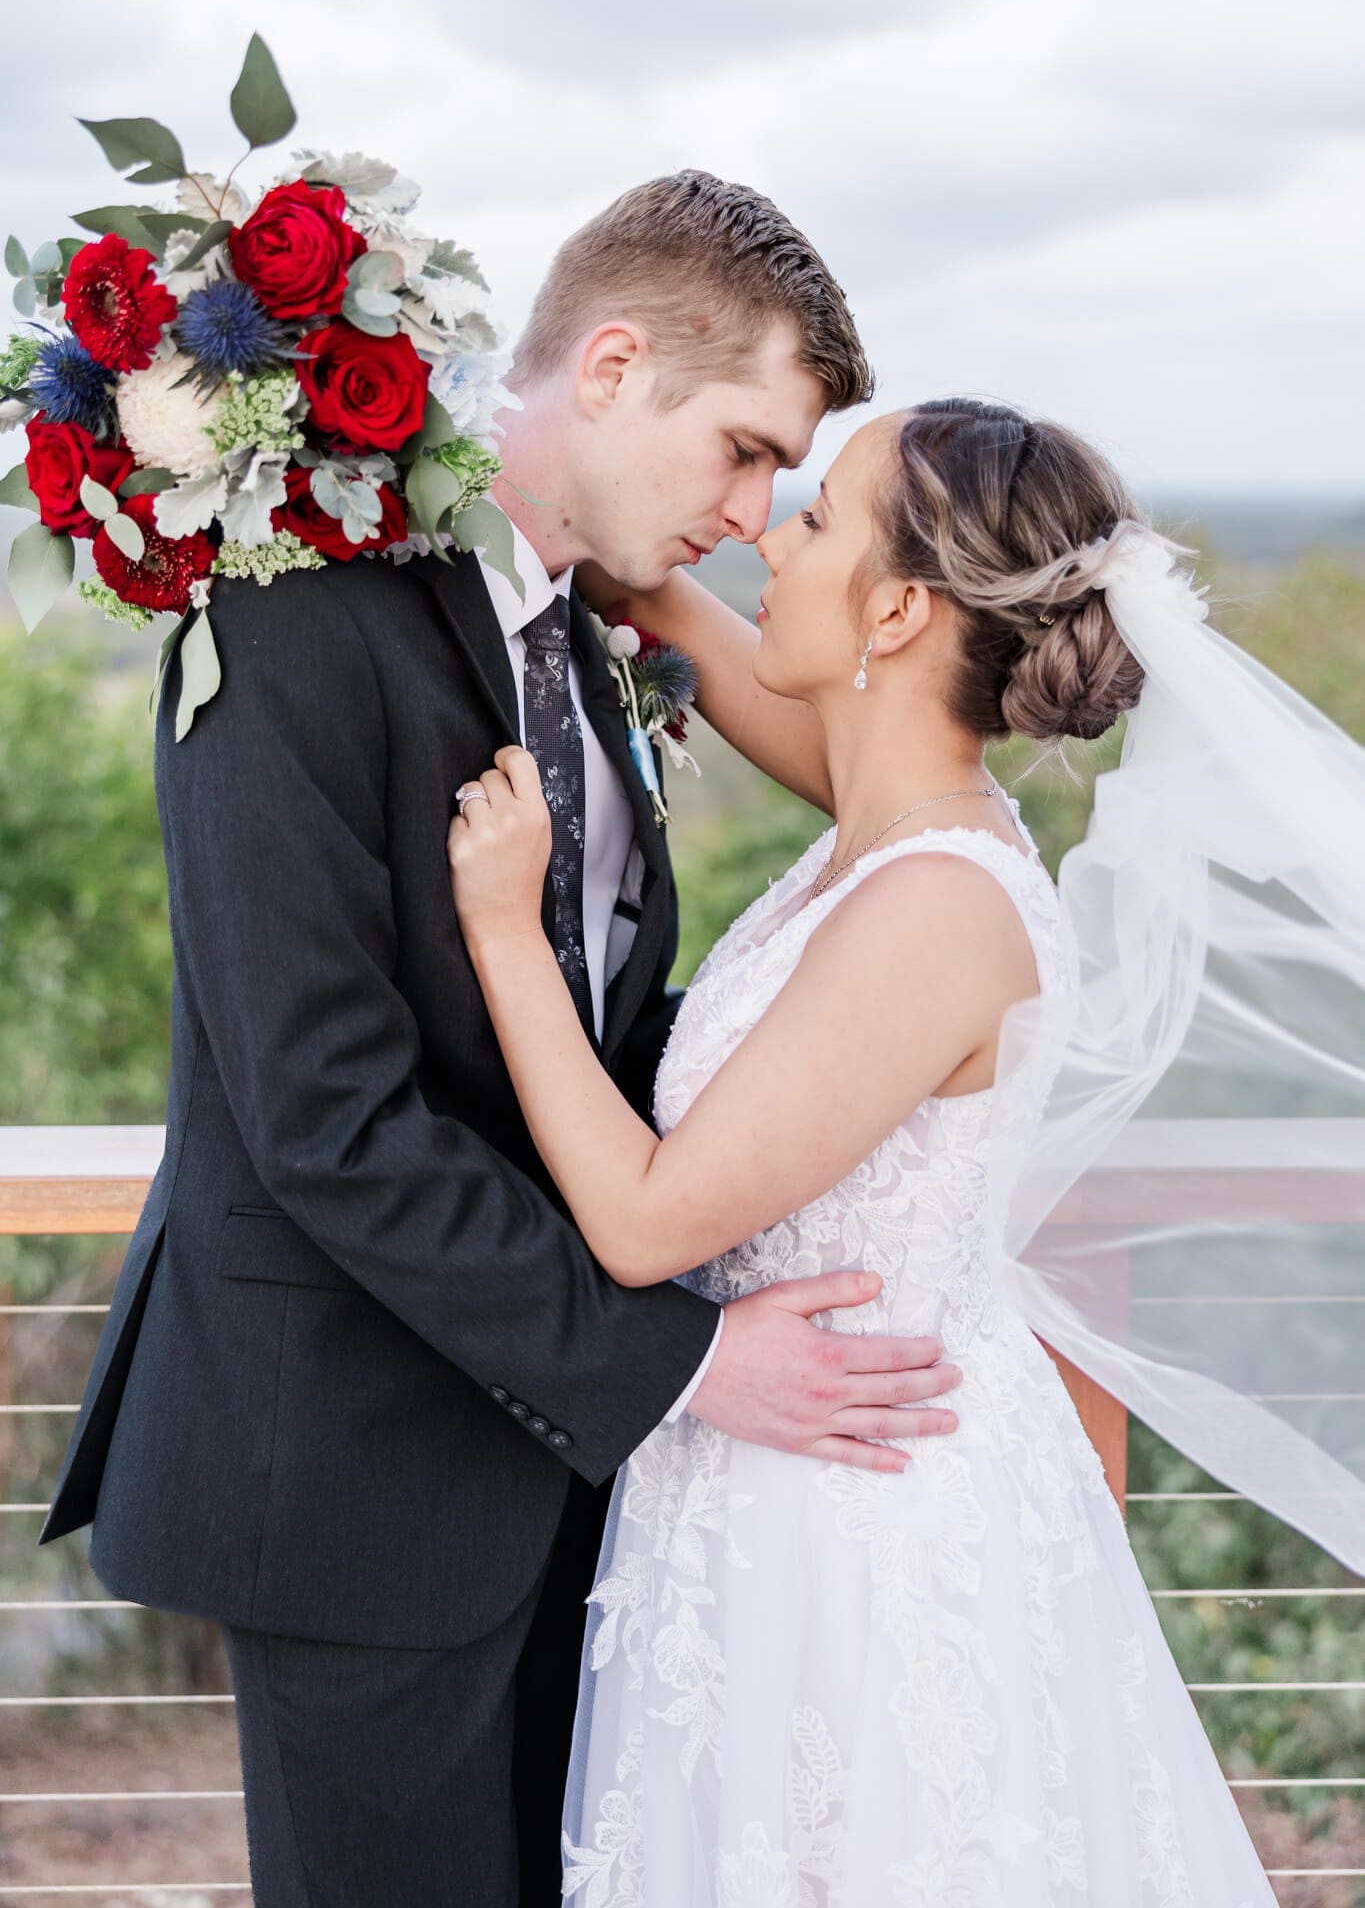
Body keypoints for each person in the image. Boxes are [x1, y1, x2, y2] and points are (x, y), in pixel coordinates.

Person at [39, 174, 965, 1908]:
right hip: (355, 1486)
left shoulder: (586, 641)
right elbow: (324, 1119)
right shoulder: (291, 618)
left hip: (572, 1496)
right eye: (748, 450)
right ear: (612, 367)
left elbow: (599, 1044)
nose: (759, 513)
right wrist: (681, 1365)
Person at [447, 398, 1281, 1903]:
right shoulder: (891, 829)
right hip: (772, 1487)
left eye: (815, 516)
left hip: (867, 1533)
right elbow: (646, 586)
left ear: (894, 609)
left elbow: (643, 1225)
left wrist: (506, 933)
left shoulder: (935, 909)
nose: (771, 532)